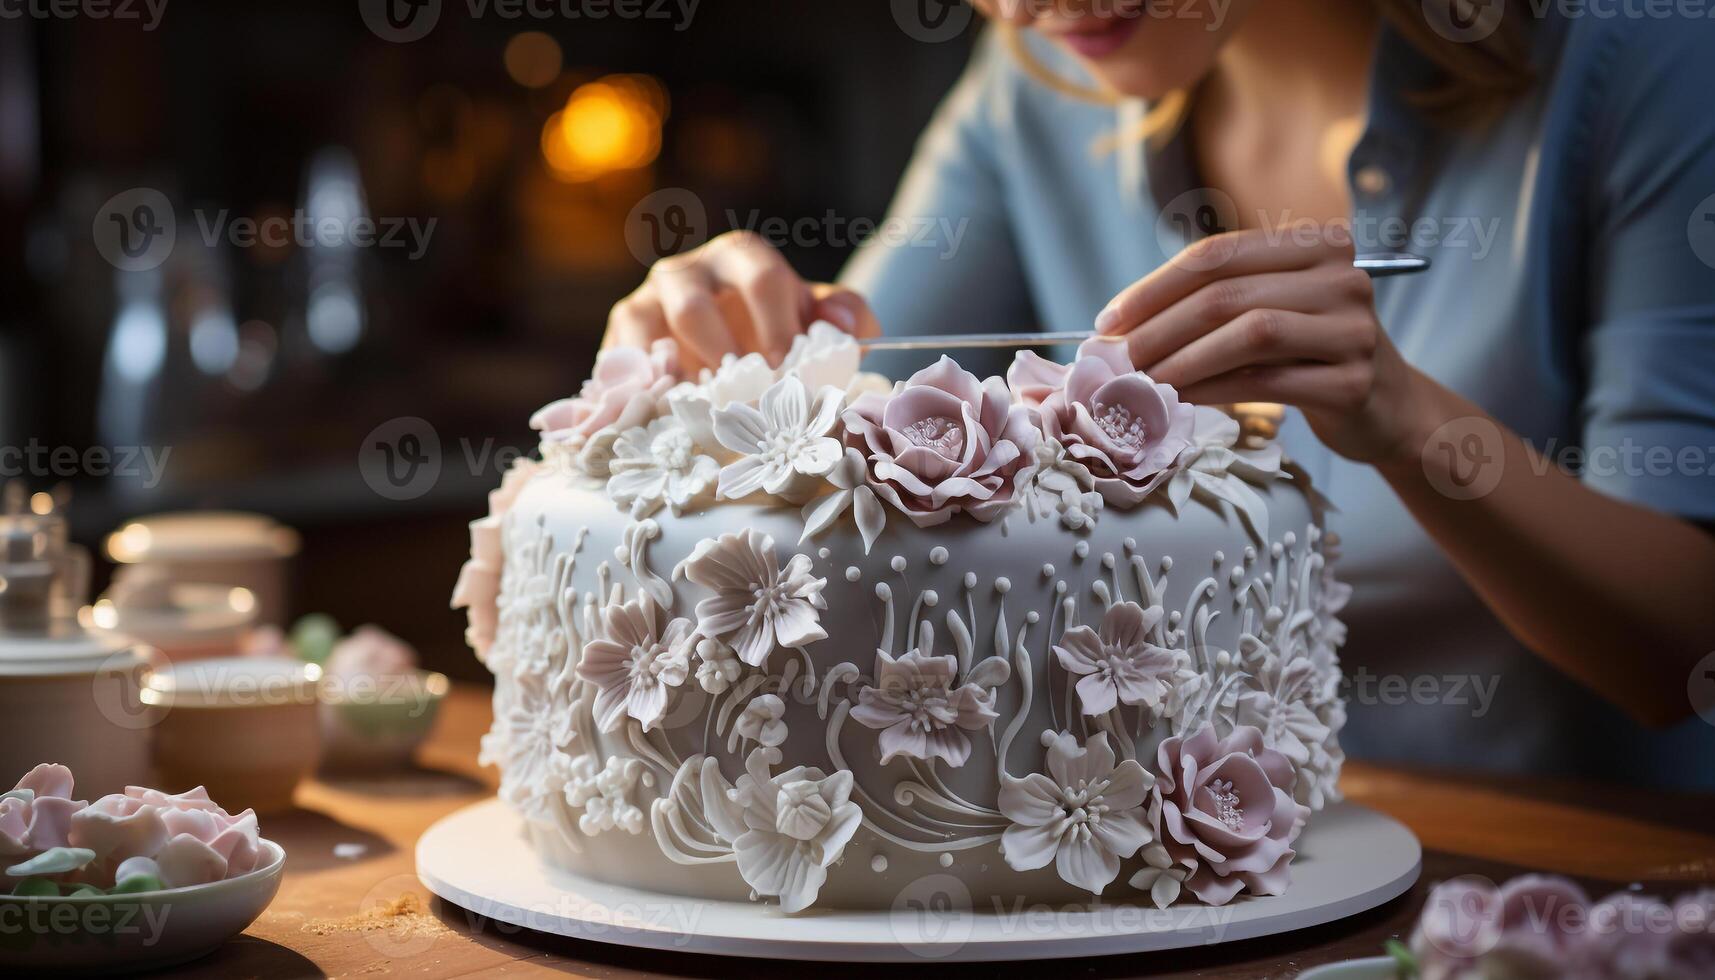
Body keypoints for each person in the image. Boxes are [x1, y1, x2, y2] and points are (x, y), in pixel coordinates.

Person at [600, 0, 1715, 787]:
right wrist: (711, 350)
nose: (1023, 6)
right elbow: (837, 424)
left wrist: (1408, 422)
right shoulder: (1036, 91)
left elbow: (1683, 650)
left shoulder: (1641, 55)